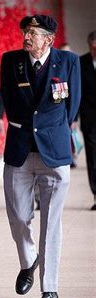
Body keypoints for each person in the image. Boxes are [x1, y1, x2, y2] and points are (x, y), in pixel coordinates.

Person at [0, 15, 81, 298]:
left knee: (51, 223)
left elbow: (72, 107)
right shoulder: (11, 61)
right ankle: (29, 259)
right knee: (18, 217)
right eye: (25, 32)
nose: (26, 37)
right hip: (20, 150)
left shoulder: (68, 62)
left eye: (32, 33)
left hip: (54, 152)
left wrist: (52, 131)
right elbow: (8, 100)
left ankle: (50, 288)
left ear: (48, 39)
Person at [79, 31, 96, 210]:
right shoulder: (81, 62)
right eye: (92, 47)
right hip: (89, 117)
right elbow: (77, 92)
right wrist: (73, 118)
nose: (94, 50)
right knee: (92, 157)